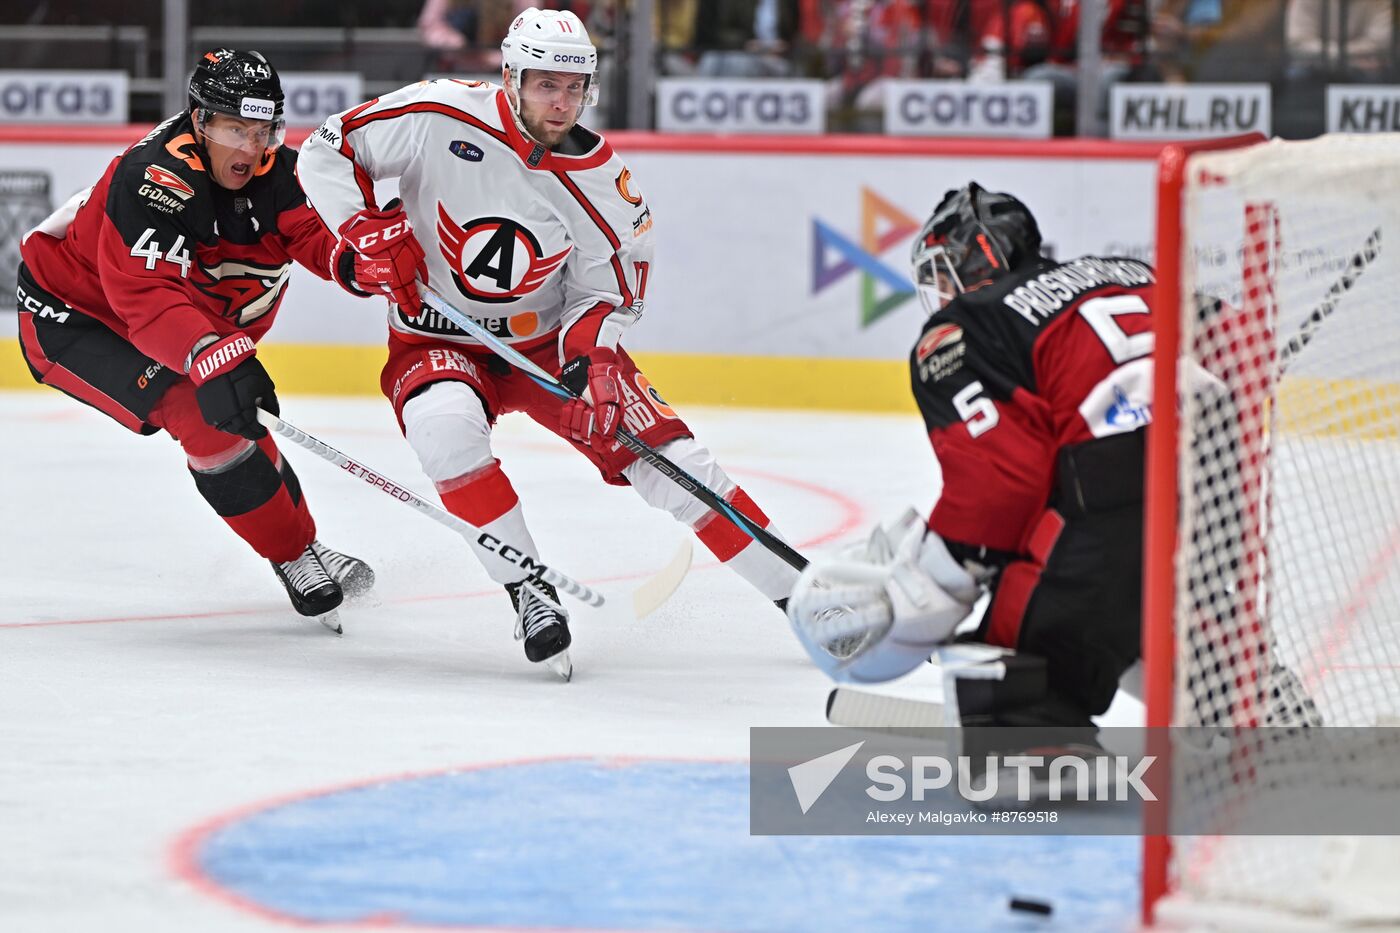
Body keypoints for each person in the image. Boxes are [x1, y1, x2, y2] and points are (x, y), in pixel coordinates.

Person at [297, 8, 799, 677]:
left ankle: (805, 599)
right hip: (433, 336)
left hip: (546, 349)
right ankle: (529, 589)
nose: (561, 103)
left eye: (574, 88)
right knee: (445, 430)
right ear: (509, 76)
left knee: (672, 459)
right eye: (544, 85)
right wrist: (361, 229)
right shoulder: (437, 114)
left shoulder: (606, 187)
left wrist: (591, 364)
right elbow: (328, 149)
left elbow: (607, 293)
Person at [16, 48, 373, 622]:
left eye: (263, 130)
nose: (250, 147)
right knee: (202, 412)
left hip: (155, 312)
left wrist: (359, 264)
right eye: (235, 128)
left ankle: (304, 543)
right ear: (200, 120)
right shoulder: (152, 178)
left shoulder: (277, 167)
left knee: (235, 409)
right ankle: (291, 551)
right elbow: (149, 299)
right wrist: (212, 353)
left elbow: (310, 231)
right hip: (74, 314)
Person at [788, 183, 1155, 728]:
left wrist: (936, 579)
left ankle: (1027, 738)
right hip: (1220, 486)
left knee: (999, 668)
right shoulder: (1132, 273)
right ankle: (1259, 714)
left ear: (981, 256)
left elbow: (1000, 488)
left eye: (942, 270)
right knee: (1156, 618)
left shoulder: (967, 327)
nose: (938, 291)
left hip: (1108, 498)